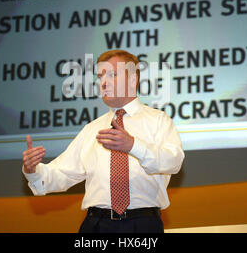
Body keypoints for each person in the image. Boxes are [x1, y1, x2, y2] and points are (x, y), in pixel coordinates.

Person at [22, 49, 184, 233]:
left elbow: (174, 161)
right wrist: (32, 170)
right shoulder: (92, 129)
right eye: (100, 76)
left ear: (132, 80)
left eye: (112, 75)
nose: (103, 83)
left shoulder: (158, 121)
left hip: (143, 225)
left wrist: (133, 146)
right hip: (96, 225)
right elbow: (59, 174)